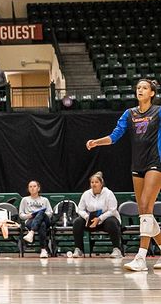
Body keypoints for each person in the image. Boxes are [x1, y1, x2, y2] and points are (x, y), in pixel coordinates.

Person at [87, 78, 161, 271]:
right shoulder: (130, 114)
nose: (140, 90)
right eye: (138, 88)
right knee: (145, 212)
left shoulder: (159, 112)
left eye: (145, 88)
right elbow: (114, 136)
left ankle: (141, 257)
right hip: (137, 165)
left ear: (152, 93)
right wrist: (96, 142)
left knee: (145, 206)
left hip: (156, 163)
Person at [68, 171, 122, 260]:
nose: (94, 184)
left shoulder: (108, 193)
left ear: (101, 184)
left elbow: (112, 210)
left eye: (96, 182)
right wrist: (86, 217)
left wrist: (100, 218)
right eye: (92, 182)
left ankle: (117, 249)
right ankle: (78, 249)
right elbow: (80, 209)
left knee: (111, 221)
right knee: (77, 222)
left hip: (105, 220)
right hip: (91, 221)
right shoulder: (86, 194)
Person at [18, 180, 53, 259]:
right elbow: (21, 215)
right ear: (28, 189)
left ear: (38, 188)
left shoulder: (45, 200)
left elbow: (50, 213)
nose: (32, 188)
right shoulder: (24, 200)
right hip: (30, 220)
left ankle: (31, 233)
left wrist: (40, 214)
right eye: (30, 187)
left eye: (34, 186)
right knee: (42, 225)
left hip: (44, 218)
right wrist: (29, 215)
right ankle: (43, 250)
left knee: (41, 213)